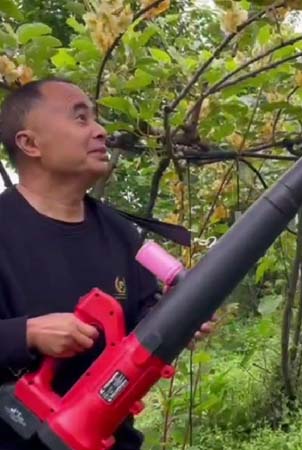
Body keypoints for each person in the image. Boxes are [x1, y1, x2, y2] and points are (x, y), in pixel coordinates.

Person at [0, 78, 213, 450]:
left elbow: (143, 325)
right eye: (80, 118)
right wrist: (26, 334)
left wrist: (177, 319)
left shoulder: (120, 233)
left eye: (96, 118)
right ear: (30, 143)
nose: (100, 131)